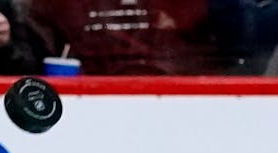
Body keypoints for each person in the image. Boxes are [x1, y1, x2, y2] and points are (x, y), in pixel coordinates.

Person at [25, 0, 248, 75]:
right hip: (90, 105)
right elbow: (37, 51)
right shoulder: (60, 6)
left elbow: (229, 51)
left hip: (177, 101)